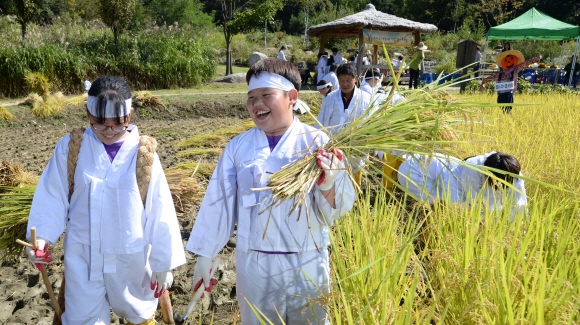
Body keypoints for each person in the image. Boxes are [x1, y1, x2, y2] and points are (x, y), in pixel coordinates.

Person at [186, 58, 356, 325]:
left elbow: (338, 210)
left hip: (307, 261)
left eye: (266, 95)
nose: (256, 103)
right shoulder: (238, 147)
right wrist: (206, 254)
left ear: (292, 97)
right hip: (255, 264)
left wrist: (328, 183)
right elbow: (219, 203)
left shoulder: (317, 143)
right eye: (251, 97)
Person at [24, 76, 186, 324]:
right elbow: (52, 195)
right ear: (87, 113)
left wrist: (163, 264)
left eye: (118, 123)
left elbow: (160, 209)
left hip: (131, 258)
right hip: (84, 259)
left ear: (130, 115)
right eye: (100, 123)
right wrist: (41, 239)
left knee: (140, 312)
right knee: (82, 317)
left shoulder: (143, 154)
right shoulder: (72, 148)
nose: (109, 130)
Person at [397, 151, 527, 218]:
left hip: (436, 169)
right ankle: (426, 238)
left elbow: (520, 206)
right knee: (442, 208)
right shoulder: (472, 171)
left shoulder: (513, 173)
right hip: (413, 171)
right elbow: (477, 204)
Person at [317, 63, 372, 186]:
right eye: (341, 81)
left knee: (354, 179)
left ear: (356, 79)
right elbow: (322, 122)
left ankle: (355, 201)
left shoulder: (365, 99)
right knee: (335, 179)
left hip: (356, 146)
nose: (345, 84)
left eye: (348, 80)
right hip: (334, 146)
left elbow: (371, 122)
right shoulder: (331, 98)